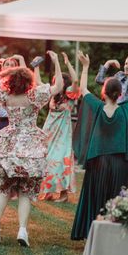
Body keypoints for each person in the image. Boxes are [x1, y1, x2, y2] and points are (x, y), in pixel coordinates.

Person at [0, 51, 63, 247]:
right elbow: (58, 86)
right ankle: (22, 231)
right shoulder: (34, 96)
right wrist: (57, 62)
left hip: (9, 146)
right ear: (28, 81)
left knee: (4, 188)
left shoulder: (6, 97)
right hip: (29, 149)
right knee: (25, 191)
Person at [71, 51, 128, 240]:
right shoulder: (126, 108)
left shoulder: (96, 106)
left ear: (104, 92)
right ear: (120, 94)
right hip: (118, 163)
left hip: (98, 163)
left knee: (94, 197)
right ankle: (112, 234)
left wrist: (85, 67)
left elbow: (84, 89)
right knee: (114, 199)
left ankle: (91, 233)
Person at [95, 55, 128, 193]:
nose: (126, 66)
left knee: (127, 159)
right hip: (113, 120)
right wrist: (107, 63)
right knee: (111, 155)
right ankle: (112, 187)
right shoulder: (118, 76)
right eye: (126, 63)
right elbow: (100, 80)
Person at [40, 52, 79, 203]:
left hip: (62, 134)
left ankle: (63, 194)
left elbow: (76, 80)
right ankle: (49, 191)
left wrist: (66, 62)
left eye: (58, 81)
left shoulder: (70, 94)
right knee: (47, 159)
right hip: (49, 131)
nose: (55, 83)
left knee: (61, 160)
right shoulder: (53, 95)